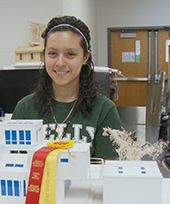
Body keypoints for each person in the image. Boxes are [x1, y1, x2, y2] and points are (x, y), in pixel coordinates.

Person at [12, 15, 122, 159]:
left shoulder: (105, 110)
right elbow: (13, 162)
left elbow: (105, 171)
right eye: (52, 53)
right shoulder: (25, 109)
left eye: (70, 54)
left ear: (85, 57)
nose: (60, 62)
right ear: (44, 55)